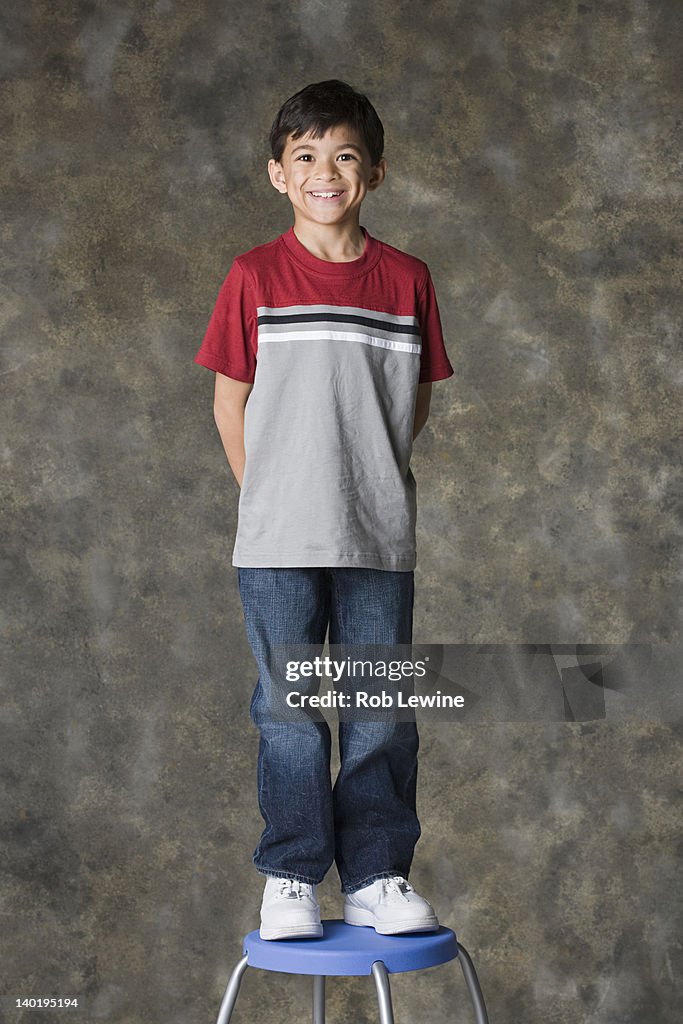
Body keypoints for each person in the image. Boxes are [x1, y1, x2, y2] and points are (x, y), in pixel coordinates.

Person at [193, 79, 454, 940]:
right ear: (278, 174)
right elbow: (230, 402)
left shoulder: (406, 280)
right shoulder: (253, 276)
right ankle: (293, 876)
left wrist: (365, 476)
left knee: (381, 707)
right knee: (289, 711)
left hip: (377, 533)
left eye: (344, 156)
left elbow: (408, 402)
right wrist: (267, 493)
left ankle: (378, 874)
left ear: (374, 173)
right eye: (305, 156)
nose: (324, 172)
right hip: (276, 536)